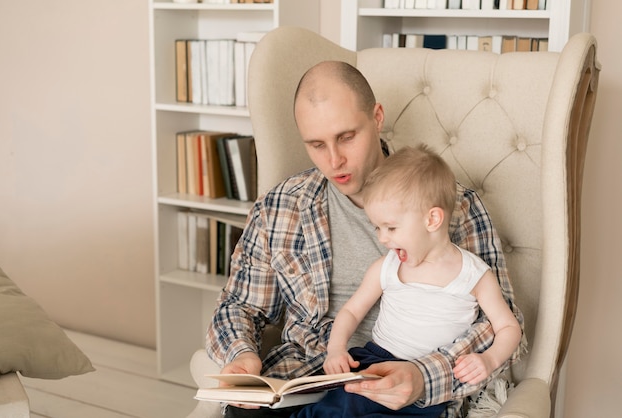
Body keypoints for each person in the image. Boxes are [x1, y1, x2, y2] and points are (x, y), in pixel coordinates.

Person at [206, 60, 525, 418]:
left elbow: (502, 322)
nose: (334, 160)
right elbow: (240, 305)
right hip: (306, 375)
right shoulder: (280, 206)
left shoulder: (454, 206)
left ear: (377, 117)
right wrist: (242, 355)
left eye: (346, 137)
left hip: (411, 384)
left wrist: (425, 376)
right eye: (316, 145)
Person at [290, 145, 522, 418]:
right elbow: (351, 311)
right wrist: (336, 349)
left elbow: (508, 327)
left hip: (426, 383)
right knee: (335, 409)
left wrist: (489, 359)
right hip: (374, 361)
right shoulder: (387, 267)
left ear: (432, 219)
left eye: (391, 228)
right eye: (377, 228)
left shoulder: (474, 275)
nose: (382, 238)